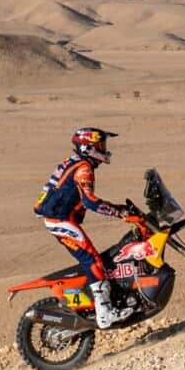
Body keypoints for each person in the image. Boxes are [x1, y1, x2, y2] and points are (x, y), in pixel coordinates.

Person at [33, 127, 134, 329]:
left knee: (95, 259)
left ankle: (104, 298)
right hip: (60, 221)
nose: (104, 150)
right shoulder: (83, 168)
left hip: (61, 218)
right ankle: (104, 313)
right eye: (101, 146)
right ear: (88, 147)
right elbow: (90, 202)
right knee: (92, 259)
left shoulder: (71, 162)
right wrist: (119, 212)